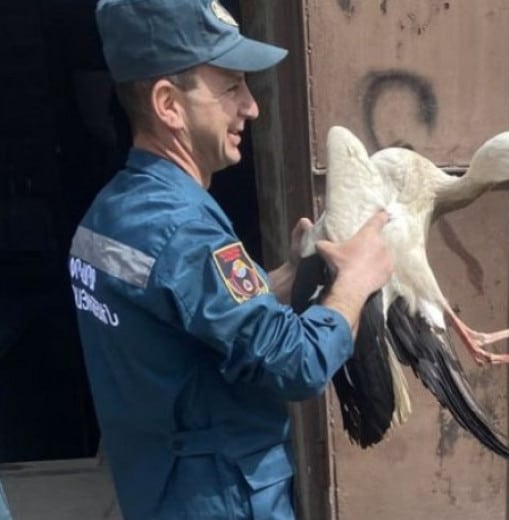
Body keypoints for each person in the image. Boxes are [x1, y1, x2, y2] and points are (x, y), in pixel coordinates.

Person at [68, 0, 393, 518]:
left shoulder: (109, 214)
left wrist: (289, 276)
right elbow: (296, 364)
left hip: (159, 490)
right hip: (221, 500)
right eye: (231, 88)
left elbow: (190, 315)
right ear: (168, 104)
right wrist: (355, 281)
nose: (251, 107)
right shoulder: (184, 230)